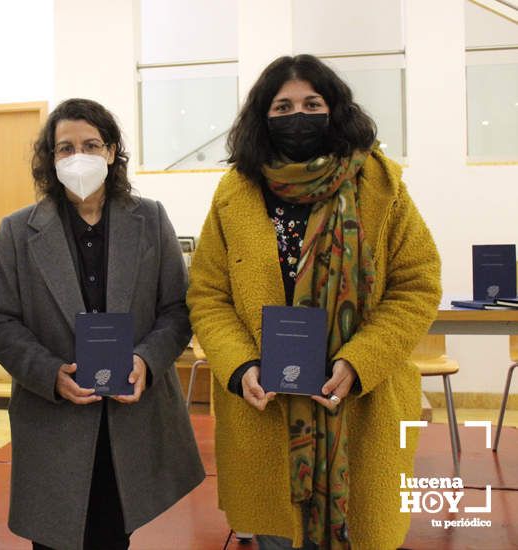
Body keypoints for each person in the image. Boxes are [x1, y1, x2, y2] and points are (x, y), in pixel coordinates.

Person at [187, 55, 442, 549]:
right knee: (278, 538)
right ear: (262, 116)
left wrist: (359, 360)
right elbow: (208, 294)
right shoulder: (235, 192)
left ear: (335, 109)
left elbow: (418, 283)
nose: (297, 115)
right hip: (267, 415)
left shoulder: (380, 185)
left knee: (364, 533)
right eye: (282, 106)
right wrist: (240, 367)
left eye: (311, 103)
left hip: (359, 409)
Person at [0, 98, 205, 550]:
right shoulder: (16, 232)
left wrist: (147, 360)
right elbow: (3, 322)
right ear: (50, 158)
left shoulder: (150, 220)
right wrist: (49, 374)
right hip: (54, 420)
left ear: (111, 152)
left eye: (91, 144)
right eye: (65, 148)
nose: (78, 156)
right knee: (52, 539)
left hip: (129, 418)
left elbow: (178, 309)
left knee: (113, 537)